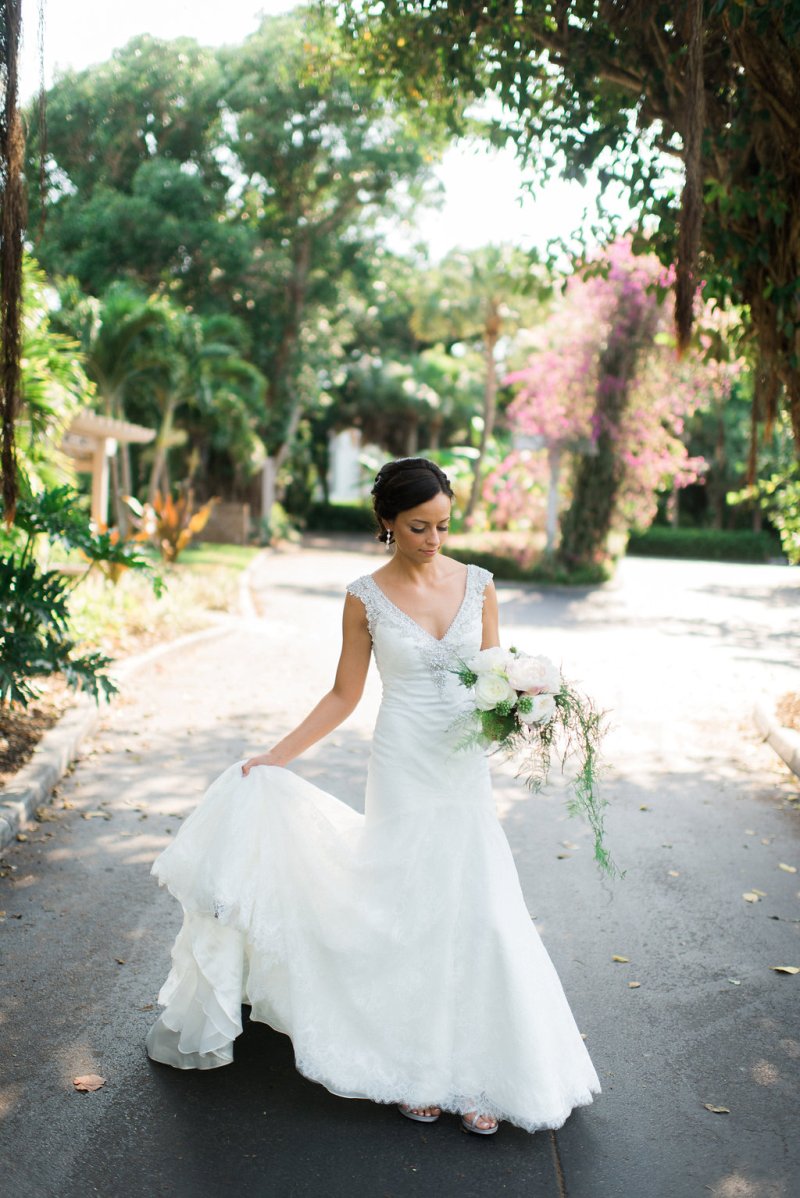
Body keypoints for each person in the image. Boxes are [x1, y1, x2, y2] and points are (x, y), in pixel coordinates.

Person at [146, 457, 600, 1136]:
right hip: (402, 762)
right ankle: (415, 1066)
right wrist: (276, 756)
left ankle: (484, 1070)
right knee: (407, 907)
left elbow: (491, 673)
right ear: (388, 522)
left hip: (460, 766)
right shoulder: (365, 596)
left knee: (481, 910)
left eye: (444, 525)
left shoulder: (480, 585)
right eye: (419, 526)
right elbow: (344, 695)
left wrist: (524, 706)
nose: (434, 539)